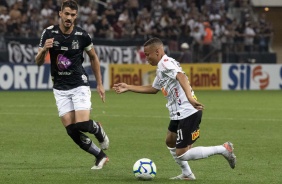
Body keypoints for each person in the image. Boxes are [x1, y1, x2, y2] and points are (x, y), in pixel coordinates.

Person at [113, 37, 236, 180]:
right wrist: (128, 87)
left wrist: (190, 98)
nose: (146, 58)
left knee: (182, 153)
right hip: (177, 114)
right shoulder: (161, 69)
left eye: (148, 54)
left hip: (188, 112)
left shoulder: (166, 63)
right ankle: (187, 174)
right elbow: (153, 89)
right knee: (170, 141)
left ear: (158, 52)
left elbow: (181, 76)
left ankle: (224, 149)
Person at [35, 0, 109, 170]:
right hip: (60, 87)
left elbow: (93, 58)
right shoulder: (48, 33)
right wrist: (44, 50)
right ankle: (100, 156)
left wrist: (99, 84)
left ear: (76, 16)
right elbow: (38, 62)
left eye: (73, 15)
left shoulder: (82, 35)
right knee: (71, 130)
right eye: (66, 14)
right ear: (60, 13)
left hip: (79, 84)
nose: (69, 18)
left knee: (82, 124)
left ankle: (98, 129)